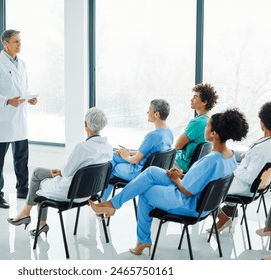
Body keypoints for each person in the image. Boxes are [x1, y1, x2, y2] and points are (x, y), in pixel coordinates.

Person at [89, 108, 248, 255]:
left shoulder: (211, 160)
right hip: (205, 204)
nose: (205, 128)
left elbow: (188, 190)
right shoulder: (230, 157)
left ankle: (141, 240)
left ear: (214, 134)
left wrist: (177, 179)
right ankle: (112, 205)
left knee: (144, 192)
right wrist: (181, 175)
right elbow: (204, 181)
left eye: (207, 126)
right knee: (150, 172)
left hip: (188, 202)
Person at [7, 107, 113, 236]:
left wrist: (61, 171)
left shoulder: (82, 148)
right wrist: (61, 172)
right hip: (91, 193)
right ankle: (33, 218)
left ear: (85, 124)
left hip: (72, 193)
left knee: (38, 180)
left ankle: (31, 216)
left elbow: (67, 172)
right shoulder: (108, 147)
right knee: (39, 173)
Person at [0, 29, 38, 209]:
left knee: (21, 157)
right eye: (16, 41)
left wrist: (30, 98)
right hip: (4, 118)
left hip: (20, 118)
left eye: (20, 41)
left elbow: (24, 87)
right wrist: (7, 101)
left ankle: (23, 189)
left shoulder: (21, 64)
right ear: (5, 43)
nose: (19, 44)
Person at [212, 102, 271, 232]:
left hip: (246, 188)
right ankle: (230, 209)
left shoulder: (263, 149)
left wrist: (233, 165)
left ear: (262, 123)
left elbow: (250, 178)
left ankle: (223, 216)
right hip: (256, 186)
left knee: (206, 187)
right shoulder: (265, 144)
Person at [102, 99, 174, 200]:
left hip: (138, 172)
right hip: (148, 167)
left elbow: (135, 160)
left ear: (156, 114)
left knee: (111, 168)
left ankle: (102, 202)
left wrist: (125, 156)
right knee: (112, 156)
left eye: (149, 109)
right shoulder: (169, 132)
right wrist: (128, 152)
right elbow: (147, 152)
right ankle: (102, 202)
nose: (147, 112)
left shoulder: (152, 136)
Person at [174, 83, 219, 173]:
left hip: (183, 165)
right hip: (196, 166)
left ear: (204, 102)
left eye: (195, 97)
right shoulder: (210, 121)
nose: (191, 100)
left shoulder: (197, 122)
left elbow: (177, 146)